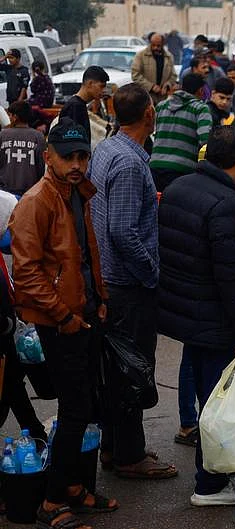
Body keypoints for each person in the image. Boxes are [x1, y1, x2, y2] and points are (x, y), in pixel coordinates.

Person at [158, 125, 235, 506]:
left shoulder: (179, 188)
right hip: (213, 317)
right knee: (217, 402)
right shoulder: (227, 204)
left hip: (186, 311)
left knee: (205, 388)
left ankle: (211, 474)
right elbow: (233, 277)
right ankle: (208, 484)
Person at [10, 118, 117, 529]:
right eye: (67, 156)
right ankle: (53, 499)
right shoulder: (36, 201)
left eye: (82, 156)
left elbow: (87, 256)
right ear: (47, 156)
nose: (76, 164)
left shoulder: (78, 192)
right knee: (75, 410)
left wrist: (100, 301)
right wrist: (64, 316)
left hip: (85, 315)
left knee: (87, 405)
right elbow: (28, 273)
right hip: (61, 321)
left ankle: (71, 485)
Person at [87, 83, 177, 480]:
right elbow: (123, 232)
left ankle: (112, 447)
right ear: (149, 115)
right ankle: (129, 455)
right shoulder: (128, 163)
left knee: (114, 369)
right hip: (126, 284)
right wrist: (151, 273)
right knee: (131, 371)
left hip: (108, 277)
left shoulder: (107, 148)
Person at [0, 190, 47, 441]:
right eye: (8, 219)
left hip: (6, 341)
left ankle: (37, 434)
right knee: (11, 388)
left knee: (13, 387)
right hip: (3, 339)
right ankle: (37, 435)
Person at [149, 73, 212, 192]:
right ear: (200, 90)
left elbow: (151, 131)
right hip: (182, 170)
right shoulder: (200, 108)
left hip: (155, 167)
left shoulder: (161, 106)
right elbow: (205, 140)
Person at [0, 102, 45, 195]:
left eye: (10, 115)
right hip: (31, 189)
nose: (9, 118)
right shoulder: (38, 136)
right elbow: (41, 166)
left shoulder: (3, 135)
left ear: (15, 117)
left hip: (6, 188)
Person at [59, 66, 110, 138]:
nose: (103, 90)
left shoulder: (78, 105)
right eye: (101, 86)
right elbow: (73, 141)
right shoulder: (75, 107)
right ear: (90, 83)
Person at [132, 32, 177, 103]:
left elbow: (173, 75)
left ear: (163, 44)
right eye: (153, 45)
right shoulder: (140, 55)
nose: (155, 48)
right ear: (150, 43)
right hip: (146, 97)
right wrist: (151, 86)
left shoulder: (169, 57)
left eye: (158, 46)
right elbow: (135, 75)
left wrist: (168, 84)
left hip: (163, 98)